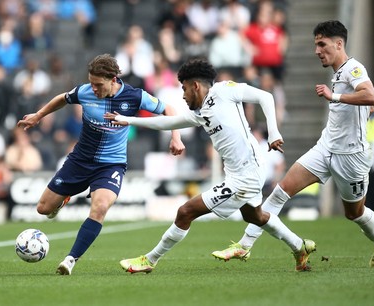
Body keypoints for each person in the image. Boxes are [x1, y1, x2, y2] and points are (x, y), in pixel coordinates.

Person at [105, 58, 317, 274]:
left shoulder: (225, 90)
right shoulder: (199, 113)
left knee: (185, 211)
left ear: (195, 86)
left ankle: (150, 260)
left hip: (247, 173)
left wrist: (273, 132)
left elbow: (265, 96)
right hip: (240, 172)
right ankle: (300, 246)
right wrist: (129, 120)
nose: (183, 95)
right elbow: (167, 122)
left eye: (184, 88)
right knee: (255, 216)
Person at [212, 20, 374, 268]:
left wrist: (336, 96)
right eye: (316, 45)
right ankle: (244, 246)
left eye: (322, 44)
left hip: (352, 156)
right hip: (325, 148)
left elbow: (370, 95)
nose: (317, 50)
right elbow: (365, 102)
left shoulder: (353, 68)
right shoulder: (339, 72)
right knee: (281, 191)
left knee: (354, 213)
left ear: (339, 43)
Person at [17, 54, 185, 275]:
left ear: (113, 79)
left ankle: (70, 259)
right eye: (91, 83)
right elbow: (62, 98)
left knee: (100, 207)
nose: (93, 88)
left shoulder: (135, 96)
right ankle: (64, 198)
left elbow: (169, 110)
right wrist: (38, 116)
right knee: (43, 208)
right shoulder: (85, 91)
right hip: (80, 160)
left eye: (98, 84)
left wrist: (176, 137)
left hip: (110, 165)